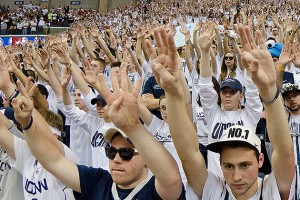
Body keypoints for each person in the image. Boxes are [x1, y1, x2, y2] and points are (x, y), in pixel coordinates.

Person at [148, 25, 295, 199]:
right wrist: (172, 94)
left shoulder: (271, 190)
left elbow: (285, 152)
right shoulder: (214, 190)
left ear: (260, 160)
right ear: (220, 162)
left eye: (245, 165)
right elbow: (188, 154)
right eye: (229, 166)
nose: (237, 176)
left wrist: (270, 89)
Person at [7, 69, 185, 199]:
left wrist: (134, 128)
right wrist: (27, 123)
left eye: (126, 154)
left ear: (147, 160)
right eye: (111, 152)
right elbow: (52, 160)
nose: (116, 159)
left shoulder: (154, 191)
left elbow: (172, 179)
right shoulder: (99, 181)